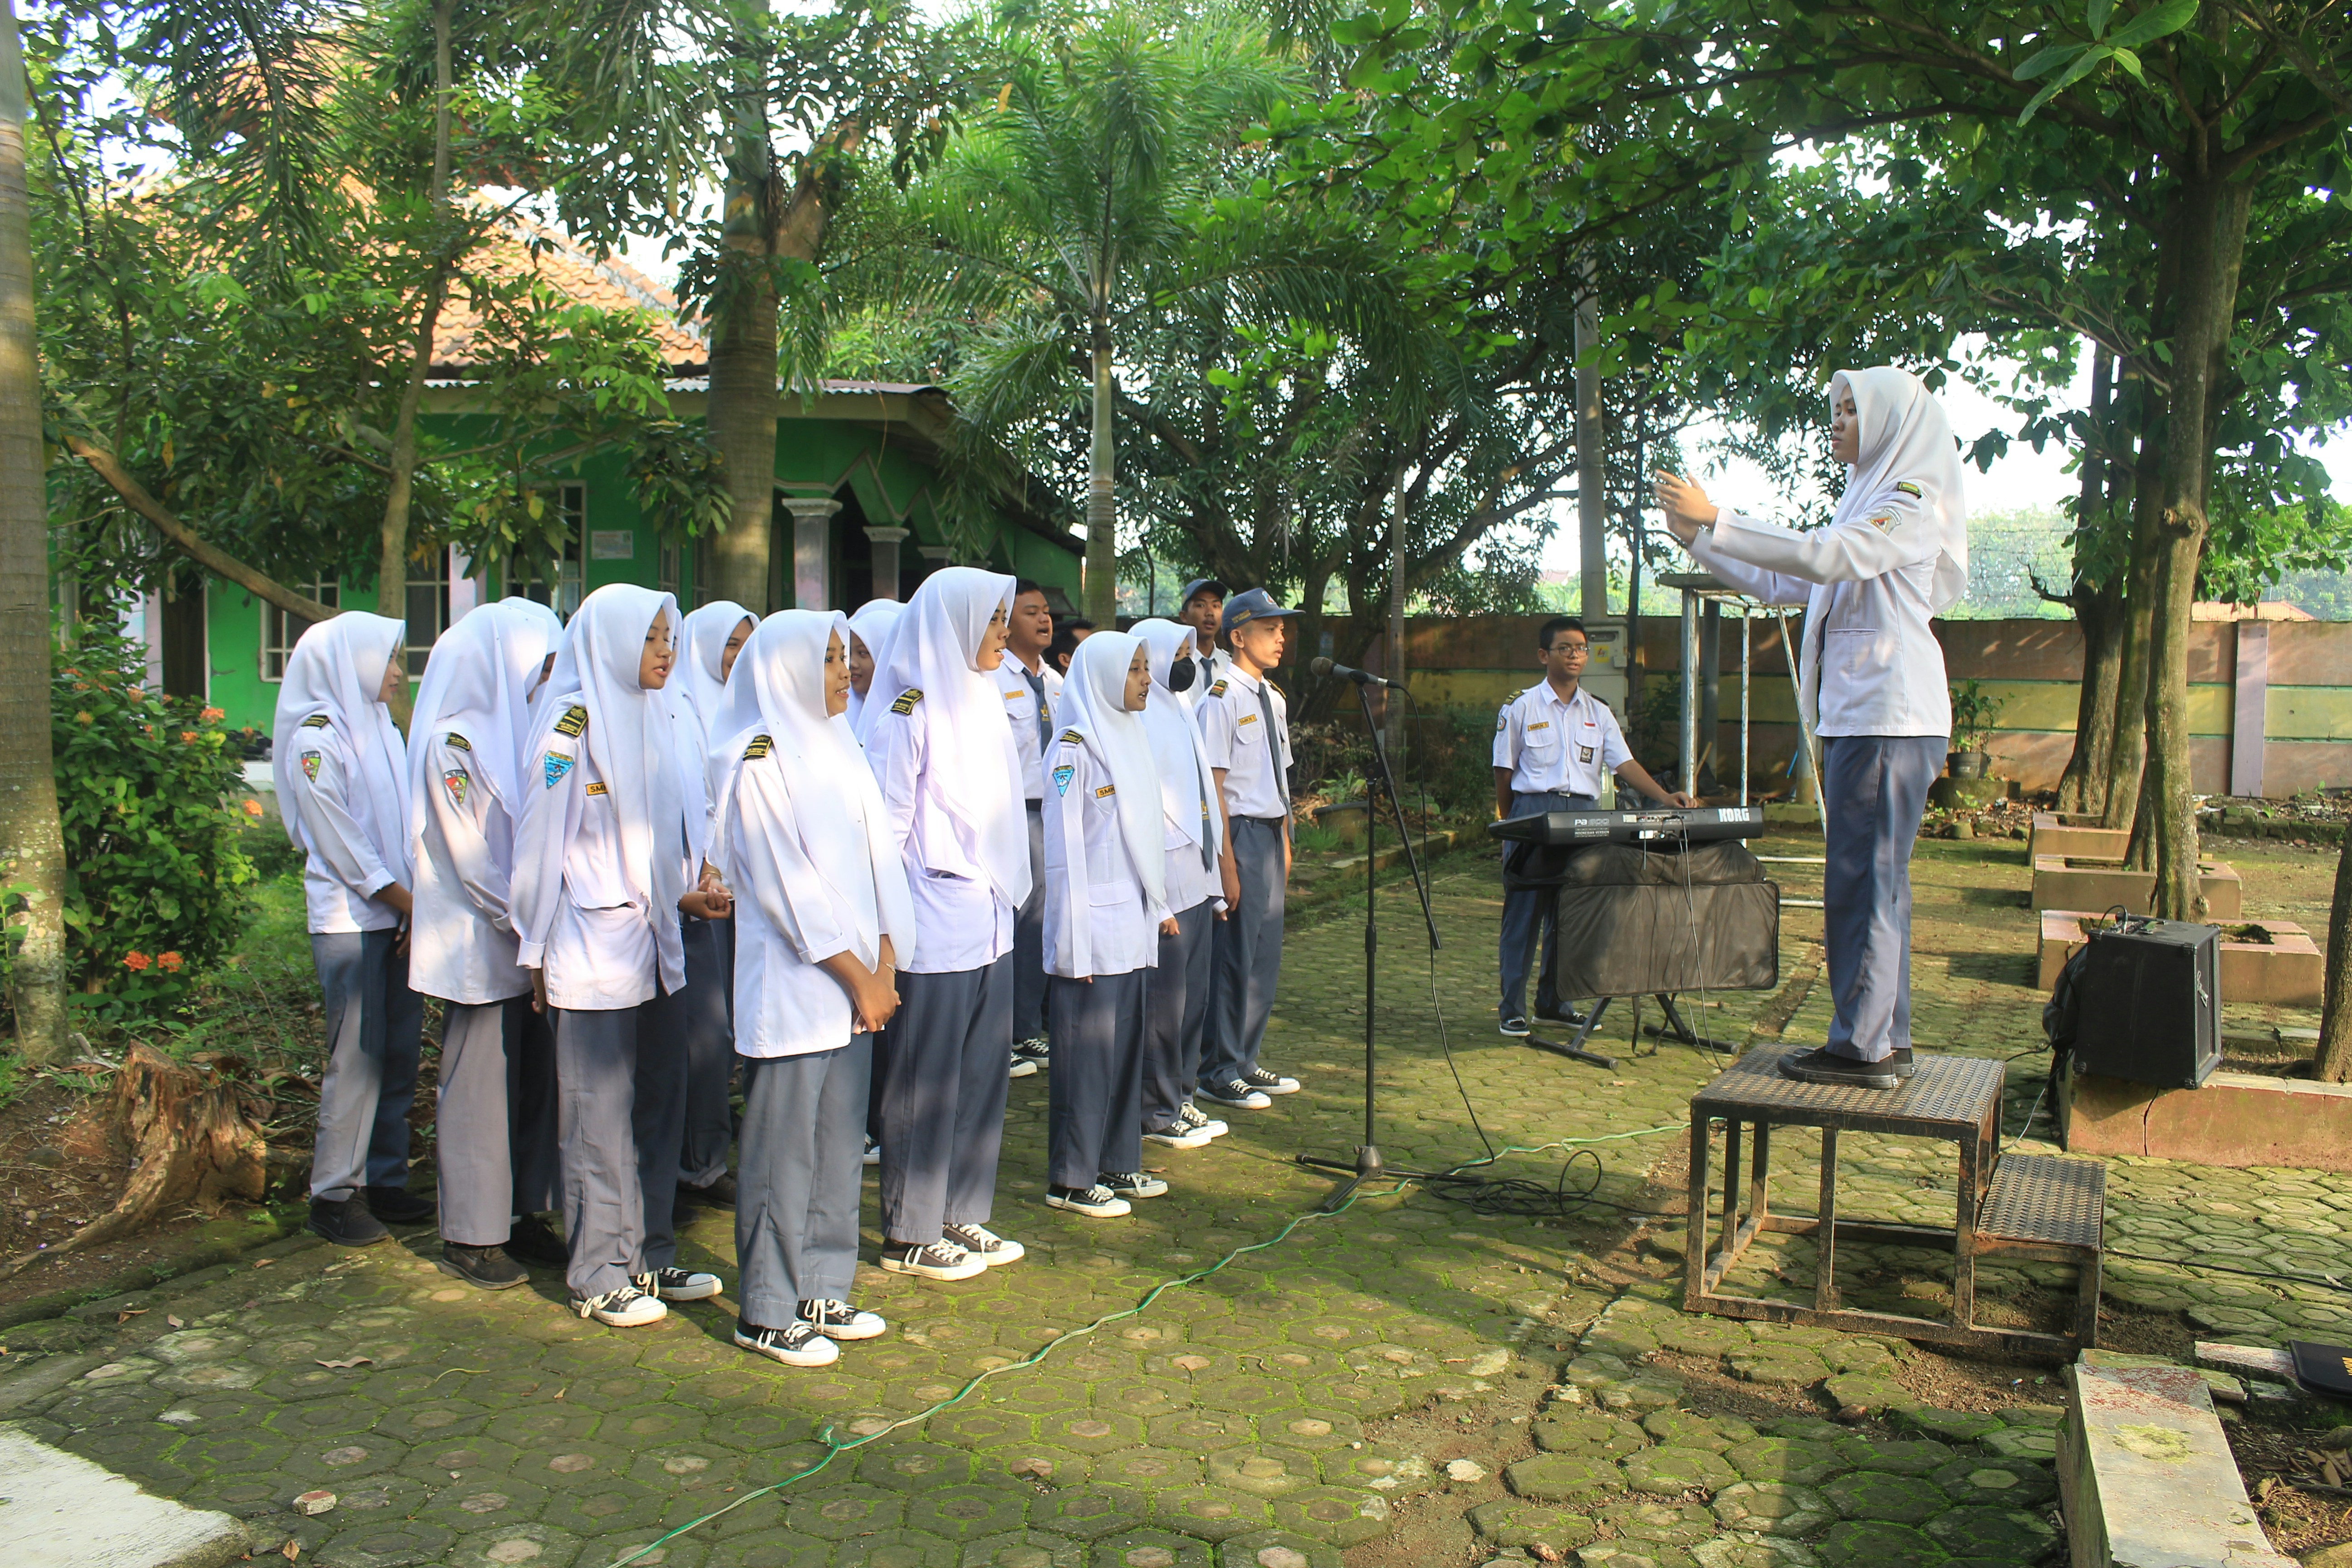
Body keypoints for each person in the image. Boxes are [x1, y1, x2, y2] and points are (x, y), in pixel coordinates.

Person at [1655, 365, 1968, 1091]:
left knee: (1864, 882)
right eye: (1835, 410)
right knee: (1874, 882)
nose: (1837, 422)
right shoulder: (1865, 498)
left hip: (1890, 719)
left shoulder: (1908, 500)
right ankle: (1887, 1036)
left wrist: (1719, 518)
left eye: (1851, 411)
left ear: (1889, 422)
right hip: (1869, 718)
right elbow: (1789, 582)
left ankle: (1863, 1048)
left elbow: (1827, 557)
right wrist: (1698, 541)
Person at [511, 584, 729, 1325]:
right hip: (592, 952)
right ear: (609, 641)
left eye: (670, 638)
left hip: (659, 945)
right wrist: (534, 949)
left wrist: (696, 877)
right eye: (652, 638)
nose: (667, 652)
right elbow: (538, 850)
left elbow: (681, 825)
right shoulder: (568, 734)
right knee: (597, 1118)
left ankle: (650, 1255)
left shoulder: (662, 718)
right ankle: (598, 1271)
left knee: (657, 1108)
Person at [707, 610, 915, 1366]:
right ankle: (764, 1306)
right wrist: (859, 974)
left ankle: (822, 1284)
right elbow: (785, 884)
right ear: (788, 668)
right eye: (827, 658)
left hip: (860, 986)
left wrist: (886, 961)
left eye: (841, 656)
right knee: (779, 1153)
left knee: (833, 1146)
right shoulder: (757, 759)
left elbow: (878, 862)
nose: (841, 670)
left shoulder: (841, 743)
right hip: (802, 987)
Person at [857, 567, 1033, 1280]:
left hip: (989, 915)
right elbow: (886, 833)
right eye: (992, 621)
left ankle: (963, 1210)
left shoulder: (982, 696)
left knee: (983, 1074)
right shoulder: (910, 706)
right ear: (956, 623)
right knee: (925, 1078)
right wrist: (888, 942)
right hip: (931, 915)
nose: (1002, 633)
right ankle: (910, 1228)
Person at [408, 601, 567, 1287]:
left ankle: (524, 1211)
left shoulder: (526, 733)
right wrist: (528, 918)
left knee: (534, 1080)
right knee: (477, 1088)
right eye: (539, 670)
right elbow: (471, 859)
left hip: (527, 938)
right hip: (478, 940)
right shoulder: (456, 742)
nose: (545, 684)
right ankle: (471, 1233)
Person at [274, 613, 428, 1248]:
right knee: (356, 1057)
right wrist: (405, 904)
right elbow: (342, 842)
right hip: (352, 920)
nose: (398, 672)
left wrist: (413, 904)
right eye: (389, 660)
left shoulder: (381, 728)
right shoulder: (317, 739)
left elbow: (403, 825)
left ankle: (386, 1178)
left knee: (397, 1051)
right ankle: (335, 1193)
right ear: (352, 663)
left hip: (397, 915)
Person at [1491, 616, 1699, 1038]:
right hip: (1533, 815)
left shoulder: (1598, 712)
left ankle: (1553, 1002)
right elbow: (1503, 771)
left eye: (1581, 648)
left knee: (1570, 915)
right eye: (1565, 648)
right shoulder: (1521, 707)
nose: (1574, 655)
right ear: (1543, 655)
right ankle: (1511, 1008)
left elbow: (1624, 764)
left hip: (1581, 819)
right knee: (1524, 916)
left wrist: (1664, 797)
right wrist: (1514, 823)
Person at [1040, 632, 1177, 1217]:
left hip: (1133, 924)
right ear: (1102, 677)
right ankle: (1071, 1178)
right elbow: (1062, 853)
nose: (1147, 680)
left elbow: (1144, 834)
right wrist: (1074, 943)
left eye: (1147, 668)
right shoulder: (1072, 749)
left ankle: (1119, 1162)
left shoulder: (1130, 736)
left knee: (1124, 1052)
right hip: (1091, 933)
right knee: (1085, 1057)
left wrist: (1161, 905)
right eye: (1136, 670)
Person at [667, 601, 760, 1216]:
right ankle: (687, 1165)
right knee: (697, 1036)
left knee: (724, 1034)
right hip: (682, 899)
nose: (738, 659)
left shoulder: (747, 713)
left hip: (731, 894)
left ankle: (706, 1159)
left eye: (747, 646)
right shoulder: (676, 708)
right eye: (729, 645)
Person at [1193, 588, 1301, 1112]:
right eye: (1268, 629)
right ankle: (1217, 1066)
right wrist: (1225, 864)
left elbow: (1279, 778)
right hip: (1237, 835)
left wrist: (1284, 839)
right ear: (1238, 636)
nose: (1280, 638)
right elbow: (1213, 786)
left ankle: (1246, 1059)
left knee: (1264, 955)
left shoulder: (1272, 698)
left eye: (1282, 629)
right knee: (1233, 957)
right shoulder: (1221, 697)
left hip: (1269, 833)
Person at [1130, 618, 1230, 1149]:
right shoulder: (1142, 719)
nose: (1189, 660)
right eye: (1180, 651)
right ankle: (1157, 1107)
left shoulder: (1183, 710)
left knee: (1192, 1000)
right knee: (1164, 1006)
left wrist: (1214, 879)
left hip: (1197, 872)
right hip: (1166, 878)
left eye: (1193, 650)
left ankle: (1182, 1095)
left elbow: (1203, 798)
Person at [1000, 580, 1063, 1077]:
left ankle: (1027, 1026)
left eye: (1046, 612)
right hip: (1015, 813)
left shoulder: (1058, 682)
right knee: (1022, 921)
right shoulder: (995, 679)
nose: (1044, 620)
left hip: (1054, 812)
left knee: (1045, 920)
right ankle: (1012, 1030)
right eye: (1030, 613)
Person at [845, 598, 906, 730]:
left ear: (885, 657)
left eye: (863, 653)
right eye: (848, 653)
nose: (852, 663)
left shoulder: (902, 717)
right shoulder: (841, 708)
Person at [1174, 579, 1231, 702]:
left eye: (1216, 606)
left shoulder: (1229, 664)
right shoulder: (1175, 664)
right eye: (1201, 605)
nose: (1210, 613)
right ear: (1184, 616)